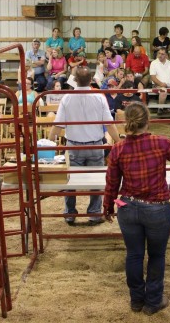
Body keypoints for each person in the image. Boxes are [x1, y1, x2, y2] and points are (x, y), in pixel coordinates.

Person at [103, 101, 170, 315]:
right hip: (157, 209)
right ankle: (153, 301)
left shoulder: (118, 148)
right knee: (156, 255)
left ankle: (136, 300)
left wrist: (107, 206)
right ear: (148, 120)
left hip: (128, 207)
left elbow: (112, 183)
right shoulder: (160, 143)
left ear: (127, 122)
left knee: (134, 255)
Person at [49, 66, 120, 225]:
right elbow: (110, 124)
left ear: (74, 80)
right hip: (95, 146)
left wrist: (49, 144)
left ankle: (70, 213)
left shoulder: (67, 98)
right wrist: (120, 143)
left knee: (70, 182)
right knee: (96, 181)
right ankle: (94, 213)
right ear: (90, 80)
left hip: (73, 147)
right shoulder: (99, 97)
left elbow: (57, 126)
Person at [149, 49, 170, 113]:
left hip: (169, 85)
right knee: (163, 91)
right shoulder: (153, 63)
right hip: (157, 85)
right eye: (159, 53)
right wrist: (161, 84)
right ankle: (160, 108)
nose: (160, 55)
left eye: (162, 54)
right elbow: (153, 77)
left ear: (166, 55)